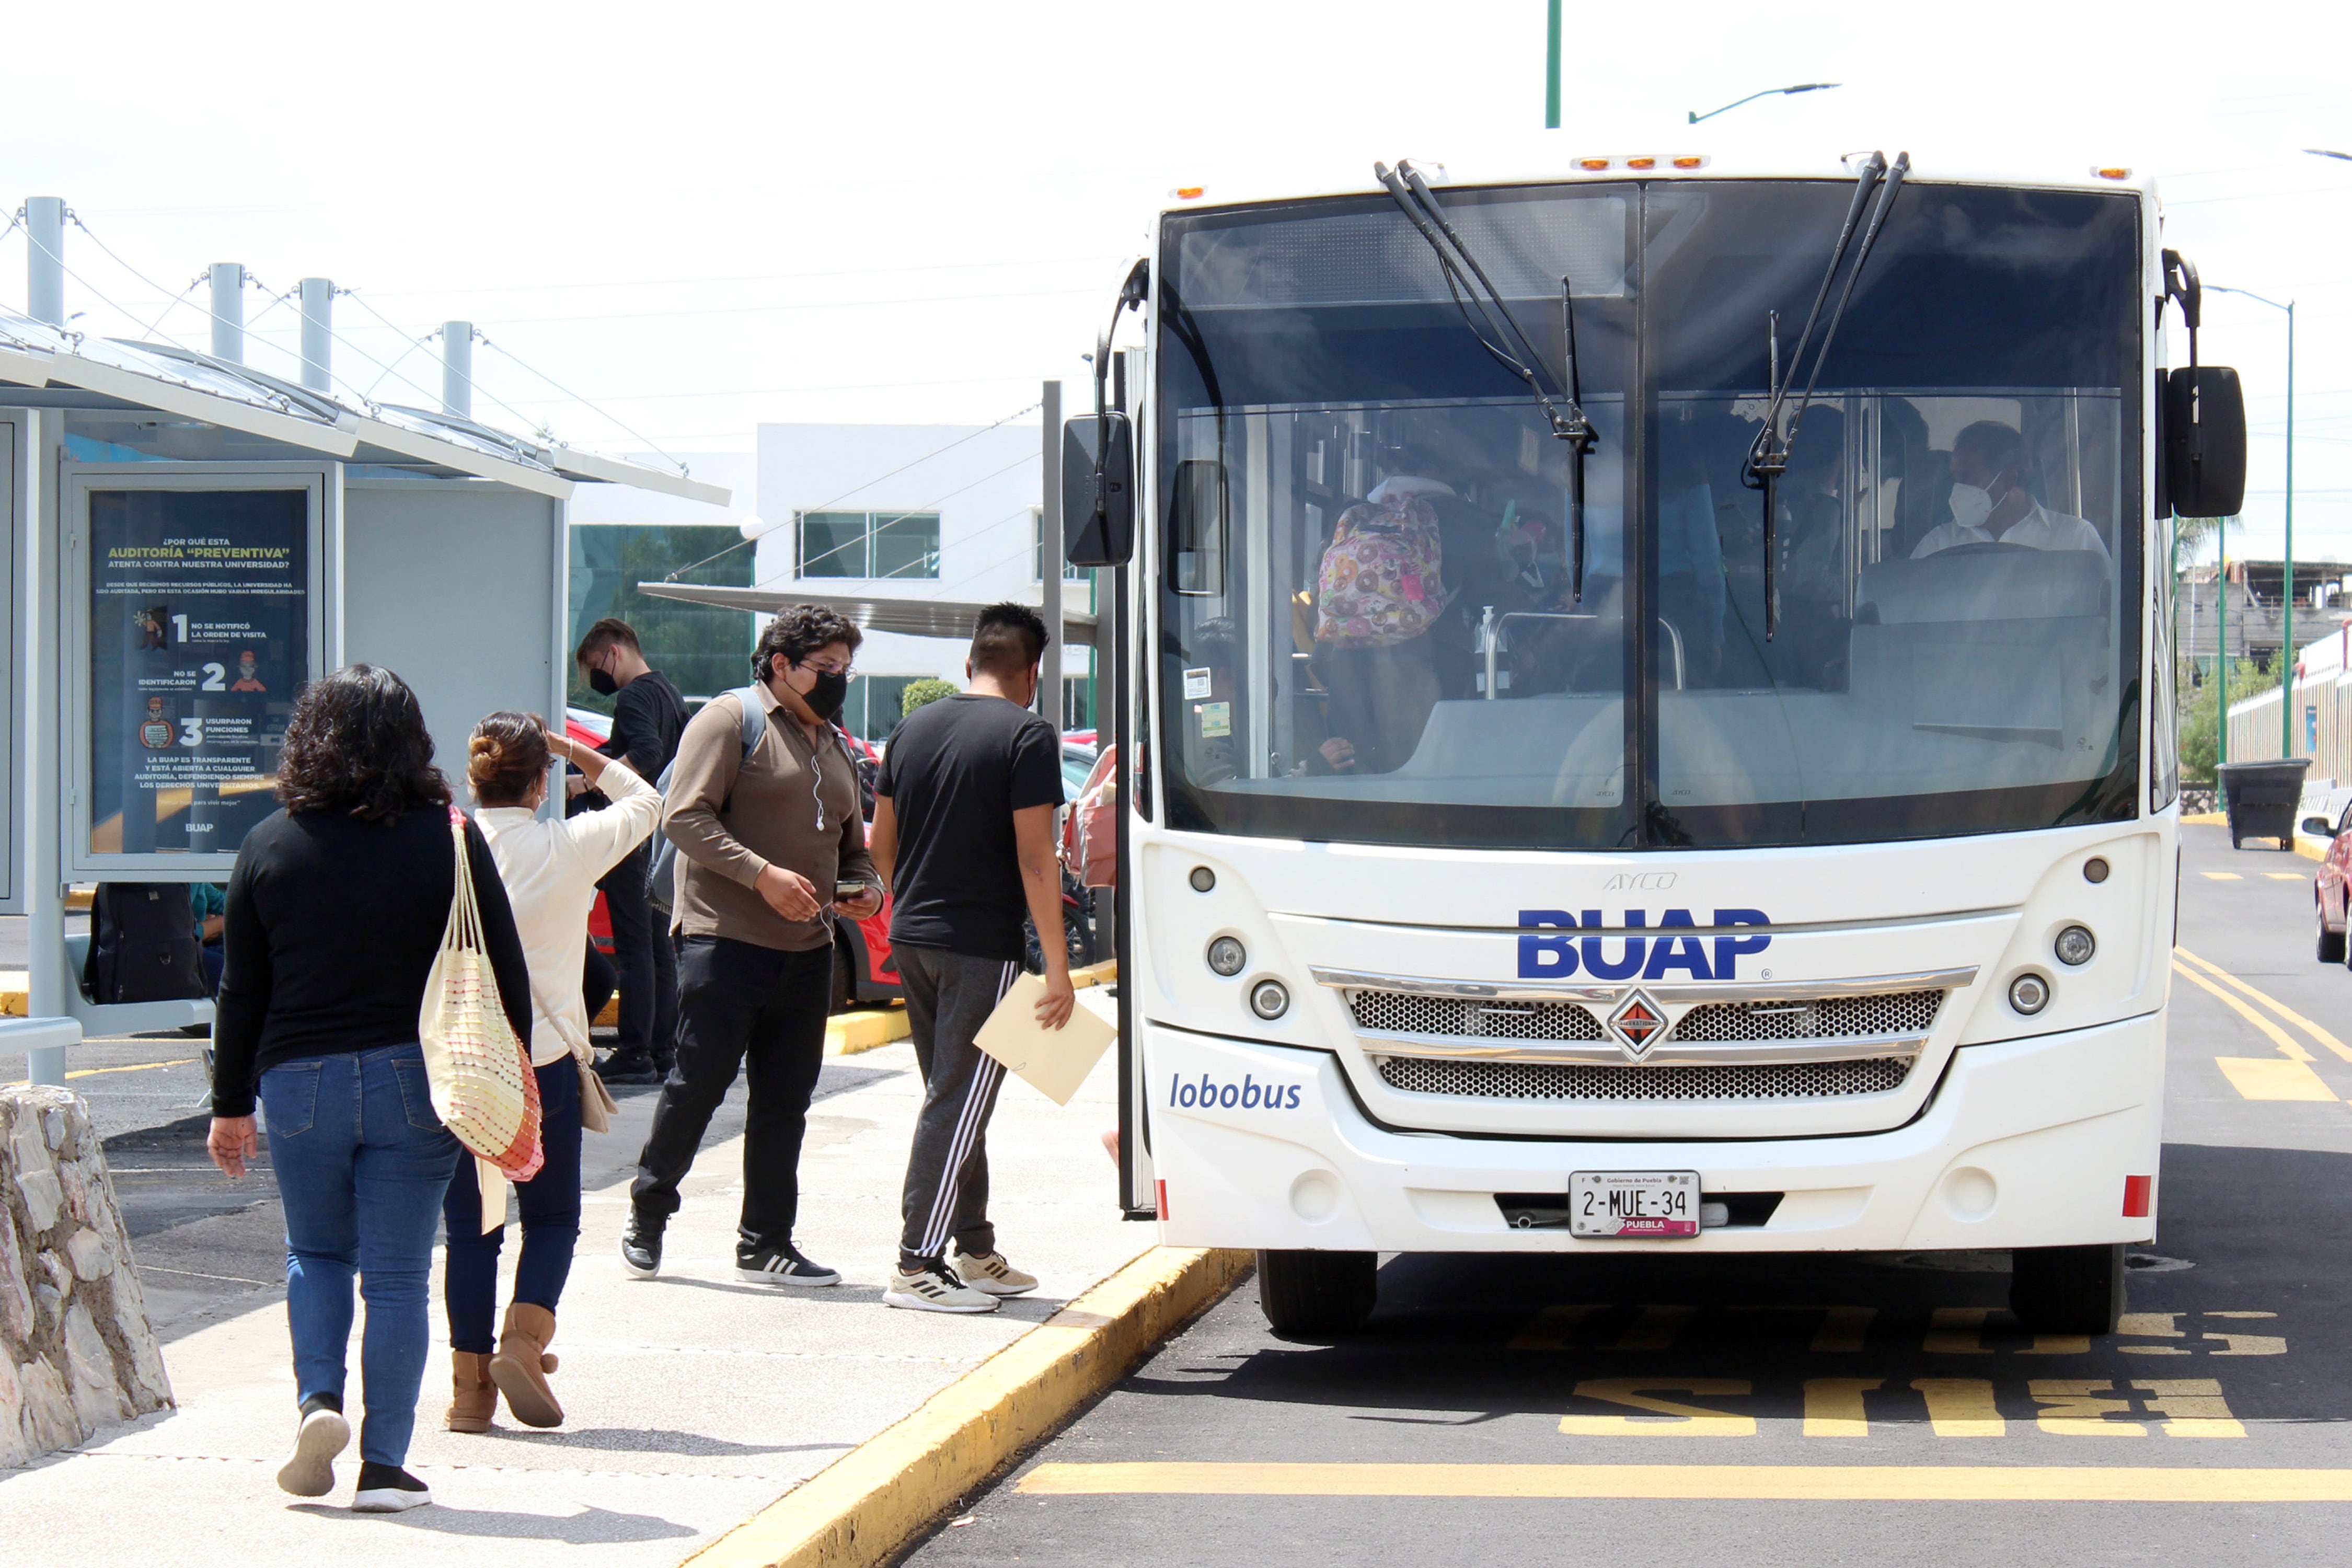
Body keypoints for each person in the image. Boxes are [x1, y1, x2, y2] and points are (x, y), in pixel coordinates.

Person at [205, 665, 530, 1514]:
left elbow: (241, 991)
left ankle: (319, 1401)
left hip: (298, 1081)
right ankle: (384, 1467)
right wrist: (512, 1091)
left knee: (316, 1255)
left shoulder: (269, 843)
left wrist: (231, 1105)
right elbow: (503, 969)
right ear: (411, 742)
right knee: (395, 1278)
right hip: (414, 1080)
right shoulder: (449, 840)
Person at [620, 605, 881, 1285]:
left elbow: (852, 846)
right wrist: (761, 875)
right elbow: (684, 816)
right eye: (827, 667)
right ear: (781, 665)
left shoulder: (833, 742)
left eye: (846, 669)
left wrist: (867, 889)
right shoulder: (731, 720)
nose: (838, 680)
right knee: (698, 1086)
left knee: (785, 1103)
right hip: (725, 940)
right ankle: (649, 1208)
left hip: (809, 948)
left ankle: (766, 1241)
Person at [444, 713, 663, 1433]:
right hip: (545, 1062)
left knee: (474, 1228)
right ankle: (523, 1341)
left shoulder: (448, 847)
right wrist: (577, 750)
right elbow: (647, 801)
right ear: (541, 782)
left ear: (475, 777)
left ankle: (469, 1395)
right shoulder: (568, 845)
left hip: (467, 1064)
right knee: (552, 1218)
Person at [869, 602, 1072, 1314]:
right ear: (1032, 673)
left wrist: (911, 906)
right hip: (981, 947)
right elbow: (1037, 860)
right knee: (958, 1102)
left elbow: (881, 845)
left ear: (969, 663)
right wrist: (1058, 969)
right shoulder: (1028, 734)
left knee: (953, 1097)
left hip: (913, 937)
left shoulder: (912, 728)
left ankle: (974, 1249)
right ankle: (916, 1265)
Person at [573, 618, 688, 1085]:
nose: (595, 678)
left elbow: (645, 751)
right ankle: (663, 1050)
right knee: (659, 947)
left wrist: (588, 781)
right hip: (663, 836)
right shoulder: (670, 694)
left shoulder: (634, 696)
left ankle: (635, 1051)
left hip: (634, 836)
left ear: (614, 653)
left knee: (634, 947)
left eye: (594, 666)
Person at [1910, 419, 2109, 561]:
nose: (1958, 488)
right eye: (1955, 478)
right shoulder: (1937, 545)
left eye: (1968, 477)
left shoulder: (2075, 539)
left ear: (2008, 478)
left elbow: (2106, 603)